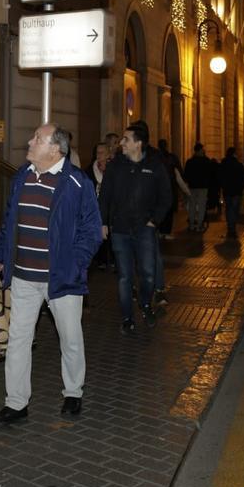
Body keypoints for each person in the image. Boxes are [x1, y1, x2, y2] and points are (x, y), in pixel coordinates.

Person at [0, 123, 102, 425]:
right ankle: (16, 403)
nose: (30, 141)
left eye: (38, 138)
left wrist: (75, 264)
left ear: (55, 149)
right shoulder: (22, 176)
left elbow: (92, 230)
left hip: (61, 280)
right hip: (24, 276)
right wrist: (0, 251)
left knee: (70, 338)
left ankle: (73, 393)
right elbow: (10, 219)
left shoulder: (77, 182)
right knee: (18, 339)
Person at [99, 122, 172, 334]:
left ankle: (146, 304)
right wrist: (103, 222)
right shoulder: (115, 166)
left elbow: (166, 197)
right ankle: (127, 318)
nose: (122, 143)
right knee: (125, 277)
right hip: (120, 230)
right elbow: (105, 196)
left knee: (148, 274)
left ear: (138, 144)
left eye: (126, 139)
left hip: (145, 230)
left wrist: (154, 221)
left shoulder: (155, 165)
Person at [86, 143, 113, 270]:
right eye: (97, 152)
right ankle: (99, 260)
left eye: (102, 152)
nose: (99, 155)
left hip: (111, 209)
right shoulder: (89, 171)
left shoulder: (114, 169)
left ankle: (112, 260)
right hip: (94, 208)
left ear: (108, 154)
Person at [183, 143, 216, 232]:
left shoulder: (189, 161)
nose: (204, 151)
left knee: (192, 206)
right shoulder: (206, 161)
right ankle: (199, 225)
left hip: (192, 186)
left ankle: (191, 224)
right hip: (203, 187)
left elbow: (186, 174)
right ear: (200, 150)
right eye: (203, 149)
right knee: (201, 206)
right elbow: (211, 174)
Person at [217, 146, 244, 237]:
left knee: (228, 208)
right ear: (234, 154)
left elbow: (219, 176)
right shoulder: (238, 164)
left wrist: (222, 186)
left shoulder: (223, 164)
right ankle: (232, 228)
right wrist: (241, 187)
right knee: (234, 210)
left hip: (227, 191)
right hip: (236, 192)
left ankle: (230, 228)